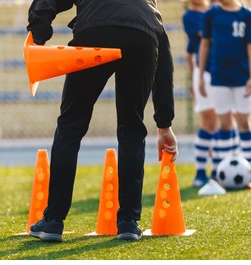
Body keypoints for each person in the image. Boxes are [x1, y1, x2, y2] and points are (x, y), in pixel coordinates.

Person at [26, 0, 178, 242]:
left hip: (95, 32)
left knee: (70, 126)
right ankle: (128, 222)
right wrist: (164, 124)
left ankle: (53, 221)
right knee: (132, 128)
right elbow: (163, 58)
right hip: (141, 38)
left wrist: (38, 35)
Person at [198, 0, 251, 188]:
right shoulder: (211, 15)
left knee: (244, 123)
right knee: (224, 124)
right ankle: (225, 173)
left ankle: (250, 173)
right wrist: (201, 75)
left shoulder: (248, 16)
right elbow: (205, 45)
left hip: (242, 78)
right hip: (218, 77)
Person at [182, 0, 219, 188]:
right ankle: (201, 172)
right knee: (209, 121)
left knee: (222, 122)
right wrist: (195, 80)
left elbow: (189, 54)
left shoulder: (214, 9)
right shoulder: (190, 16)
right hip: (206, 73)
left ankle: (218, 170)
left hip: (222, 70)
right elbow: (210, 36)